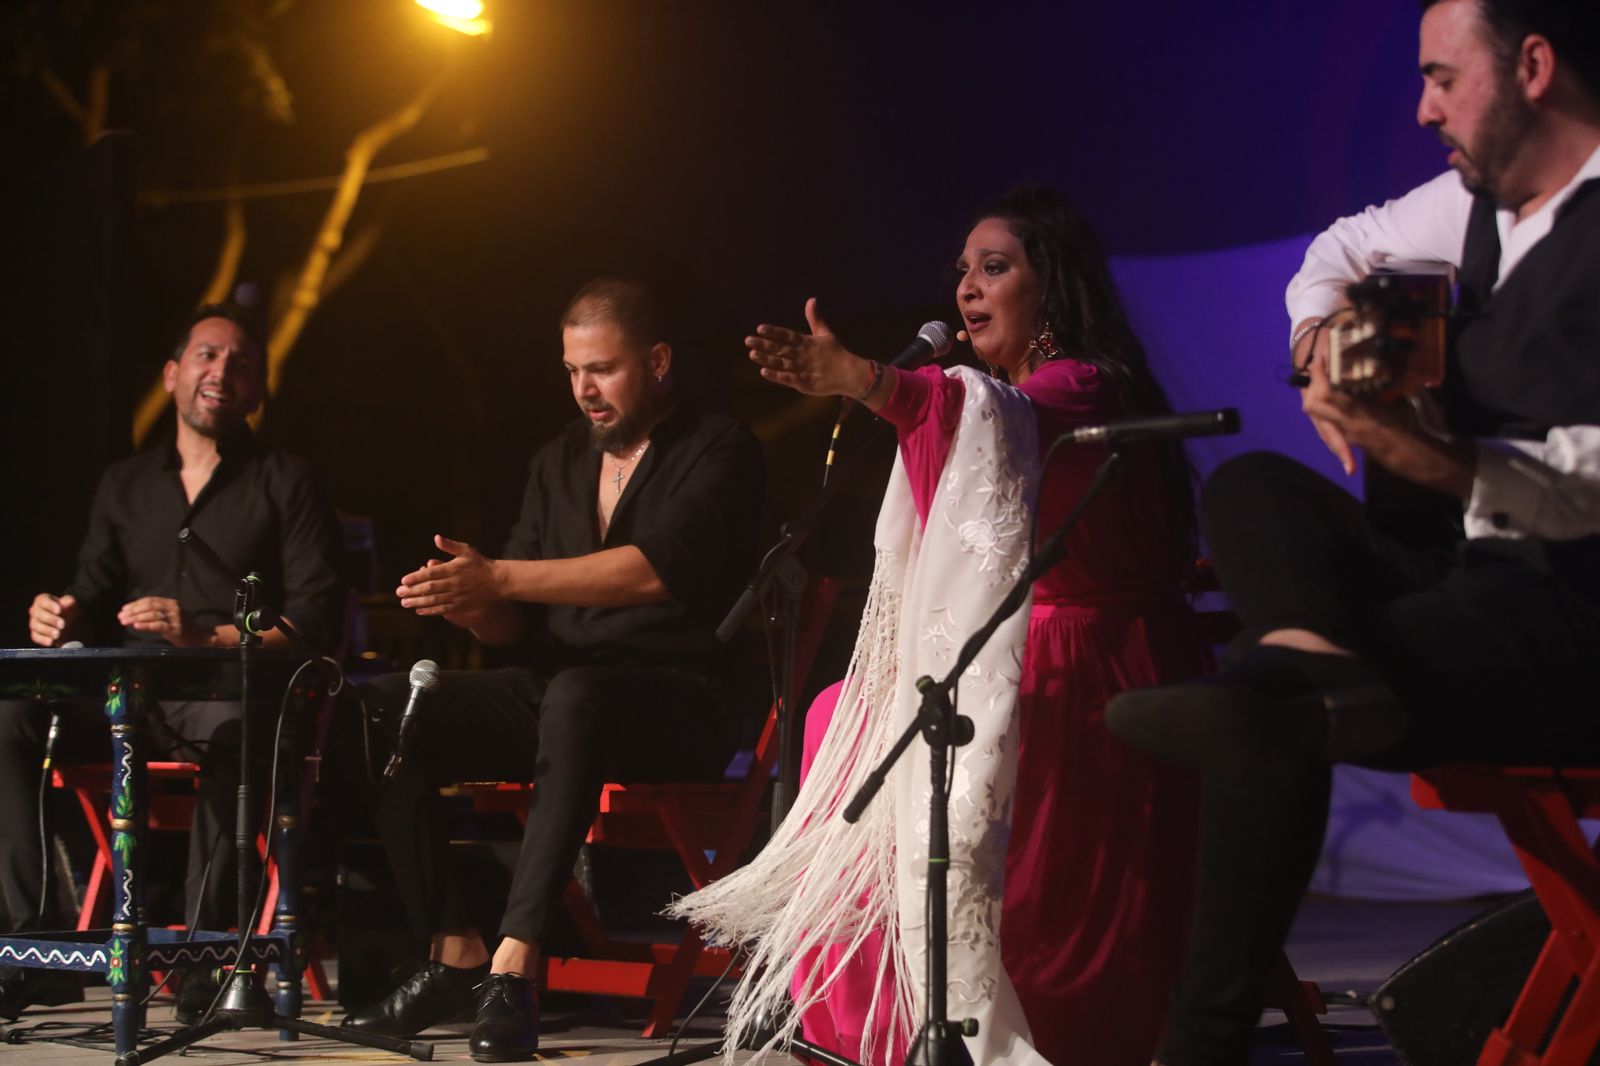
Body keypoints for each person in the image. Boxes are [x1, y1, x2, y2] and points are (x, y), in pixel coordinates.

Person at [1103, 1, 1600, 1063]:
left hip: (1574, 612)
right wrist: (1320, 332)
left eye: (1440, 78)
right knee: (1252, 491)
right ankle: (1308, 656)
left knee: (1268, 698)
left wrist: (1442, 459)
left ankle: (1200, 1039)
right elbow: (1339, 246)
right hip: (1474, 571)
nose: (1422, 109)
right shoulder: (1471, 209)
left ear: (1534, 67)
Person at [671, 188, 1210, 1066]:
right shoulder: (1020, 394)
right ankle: (879, 1012)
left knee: (888, 732)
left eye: (994, 268)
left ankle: (962, 1011)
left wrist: (866, 380)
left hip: (1099, 667)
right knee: (836, 713)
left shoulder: (1082, 386)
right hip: (1043, 649)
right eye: (962, 269)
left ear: (1054, 287)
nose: (966, 288)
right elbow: (969, 419)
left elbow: (973, 416)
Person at [342, 278, 763, 1062]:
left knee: (574, 695)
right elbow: (516, 624)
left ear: (659, 360)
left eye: (602, 368)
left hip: (679, 701)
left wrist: (500, 577)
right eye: (572, 371)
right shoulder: (557, 461)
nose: (584, 390)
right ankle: (454, 945)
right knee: (386, 706)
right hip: (563, 692)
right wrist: (472, 601)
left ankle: (516, 968)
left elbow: (652, 573)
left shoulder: (720, 447)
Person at [0, 303, 346, 1021]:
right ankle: (32, 946)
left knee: (231, 726)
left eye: (242, 363)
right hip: (132, 694)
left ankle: (209, 952)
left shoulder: (287, 480)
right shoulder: (125, 483)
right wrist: (57, 612)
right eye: (207, 355)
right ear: (172, 374)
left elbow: (315, 622)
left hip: (225, 690)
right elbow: (90, 596)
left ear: (258, 389)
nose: (223, 372)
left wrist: (206, 636)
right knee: (9, 713)